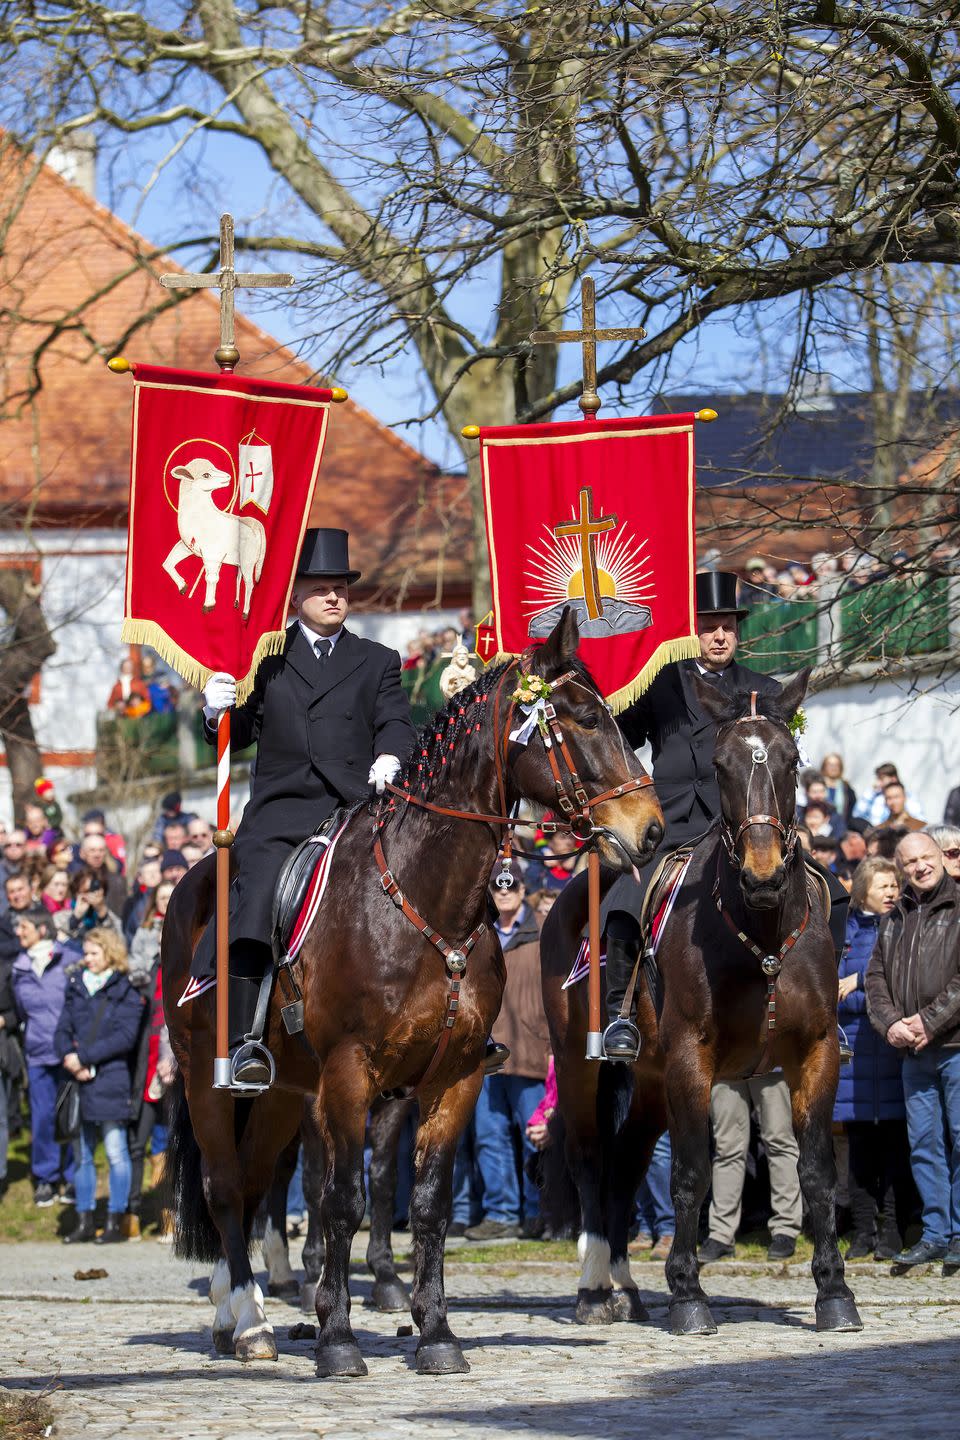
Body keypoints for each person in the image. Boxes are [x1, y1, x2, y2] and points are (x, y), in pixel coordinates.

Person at [197, 528, 416, 1088]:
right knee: (260, 894)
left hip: (354, 810)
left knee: (422, 881)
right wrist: (215, 709)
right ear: (296, 595)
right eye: (321, 588)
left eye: (340, 587)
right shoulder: (265, 658)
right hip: (283, 810)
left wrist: (391, 755)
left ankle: (447, 1017)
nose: (334, 597)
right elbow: (238, 733)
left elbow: (395, 719)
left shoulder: (377, 660)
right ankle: (244, 1039)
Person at [601, 570, 784, 1061]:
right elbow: (619, 738)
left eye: (727, 625)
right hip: (672, 825)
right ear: (689, 631)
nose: (719, 635)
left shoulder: (763, 689)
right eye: (708, 625)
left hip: (744, 827)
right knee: (621, 901)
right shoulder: (658, 681)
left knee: (830, 889)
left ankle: (822, 1010)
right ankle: (618, 1016)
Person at [866, 833, 960, 1267]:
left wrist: (928, 1022)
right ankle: (936, 1233)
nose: (920, 867)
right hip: (912, 1052)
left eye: (927, 858)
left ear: (942, 857)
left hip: (955, 1045)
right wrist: (891, 1026)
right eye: (911, 862)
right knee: (924, 1144)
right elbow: (875, 980)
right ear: (900, 868)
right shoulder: (895, 916)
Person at [835, 857, 915, 1259]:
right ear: (863, 887)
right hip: (856, 1058)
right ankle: (863, 1232)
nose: (891, 892)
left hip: (892, 1050)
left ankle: (893, 1230)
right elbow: (832, 994)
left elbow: (899, 992)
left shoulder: (901, 927)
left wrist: (860, 988)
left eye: (894, 886)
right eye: (883, 885)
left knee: (894, 1148)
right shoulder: (844, 930)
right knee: (859, 1150)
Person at [467, 881, 549, 1240]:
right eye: (498, 888)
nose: (504, 893)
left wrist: (553, 1048)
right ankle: (501, 1213)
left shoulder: (543, 933)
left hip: (532, 1047)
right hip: (484, 1051)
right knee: (489, 1135)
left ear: (522, 891)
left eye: (512, 885)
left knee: (536, 1136)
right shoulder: (477, 936)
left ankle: (541, 1212)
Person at [55, 928, 145, 1244]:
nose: (87, 959)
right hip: (77, 1080)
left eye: (94, 953)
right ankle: (84, 1219)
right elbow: (62, 1027)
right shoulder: (76, 985)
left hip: (110, 1079)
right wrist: (68, 1056)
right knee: (81, 1155)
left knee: (116, 1151)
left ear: (109, 952)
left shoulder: (126, 990)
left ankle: (114, 1221)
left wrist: (84, 1058)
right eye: (86, 953)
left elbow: (125, 1036)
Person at [699, 1072, 803, 1263]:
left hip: (770, 1058)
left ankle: (786, 1228)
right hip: (727, 1060)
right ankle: (721, 1235)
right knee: (726, 1147)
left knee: (779, 1141)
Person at [11, 911, 75, 1206]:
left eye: (23, 926)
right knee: (42, 1117)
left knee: (72, 1115)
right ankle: (46, 1178)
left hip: (68, 1051)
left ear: (40, 928)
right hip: (37, 1052)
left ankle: (73, 1177)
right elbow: (22, 1012)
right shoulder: (19, 968)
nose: (18, 932)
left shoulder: (68, 958)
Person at [125, 882, 176, 1239]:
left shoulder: (185, 961)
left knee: (175, 1139)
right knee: (145, 1139)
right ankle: (136, 1214)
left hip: (177, 1052)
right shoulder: (154, 965)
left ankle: (175, 1218)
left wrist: (170, 1054)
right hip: (148, 1054)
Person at [820, 753, 857, 826]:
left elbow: (851, 810)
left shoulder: (846, 788)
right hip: (819, 825)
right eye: (830, 765)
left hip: (840, 827)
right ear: (824, 767)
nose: (833, 768)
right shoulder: (817, 785)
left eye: (836, 765)